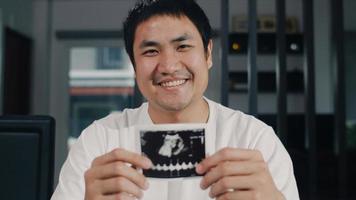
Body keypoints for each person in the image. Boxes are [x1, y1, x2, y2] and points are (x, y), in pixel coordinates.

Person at [51, 0, 299, 199]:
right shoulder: (100, 140)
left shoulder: (254, 139)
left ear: (208, 53)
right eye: (151, 51)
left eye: (183, 47)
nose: (169, 66)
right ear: (134, 65)